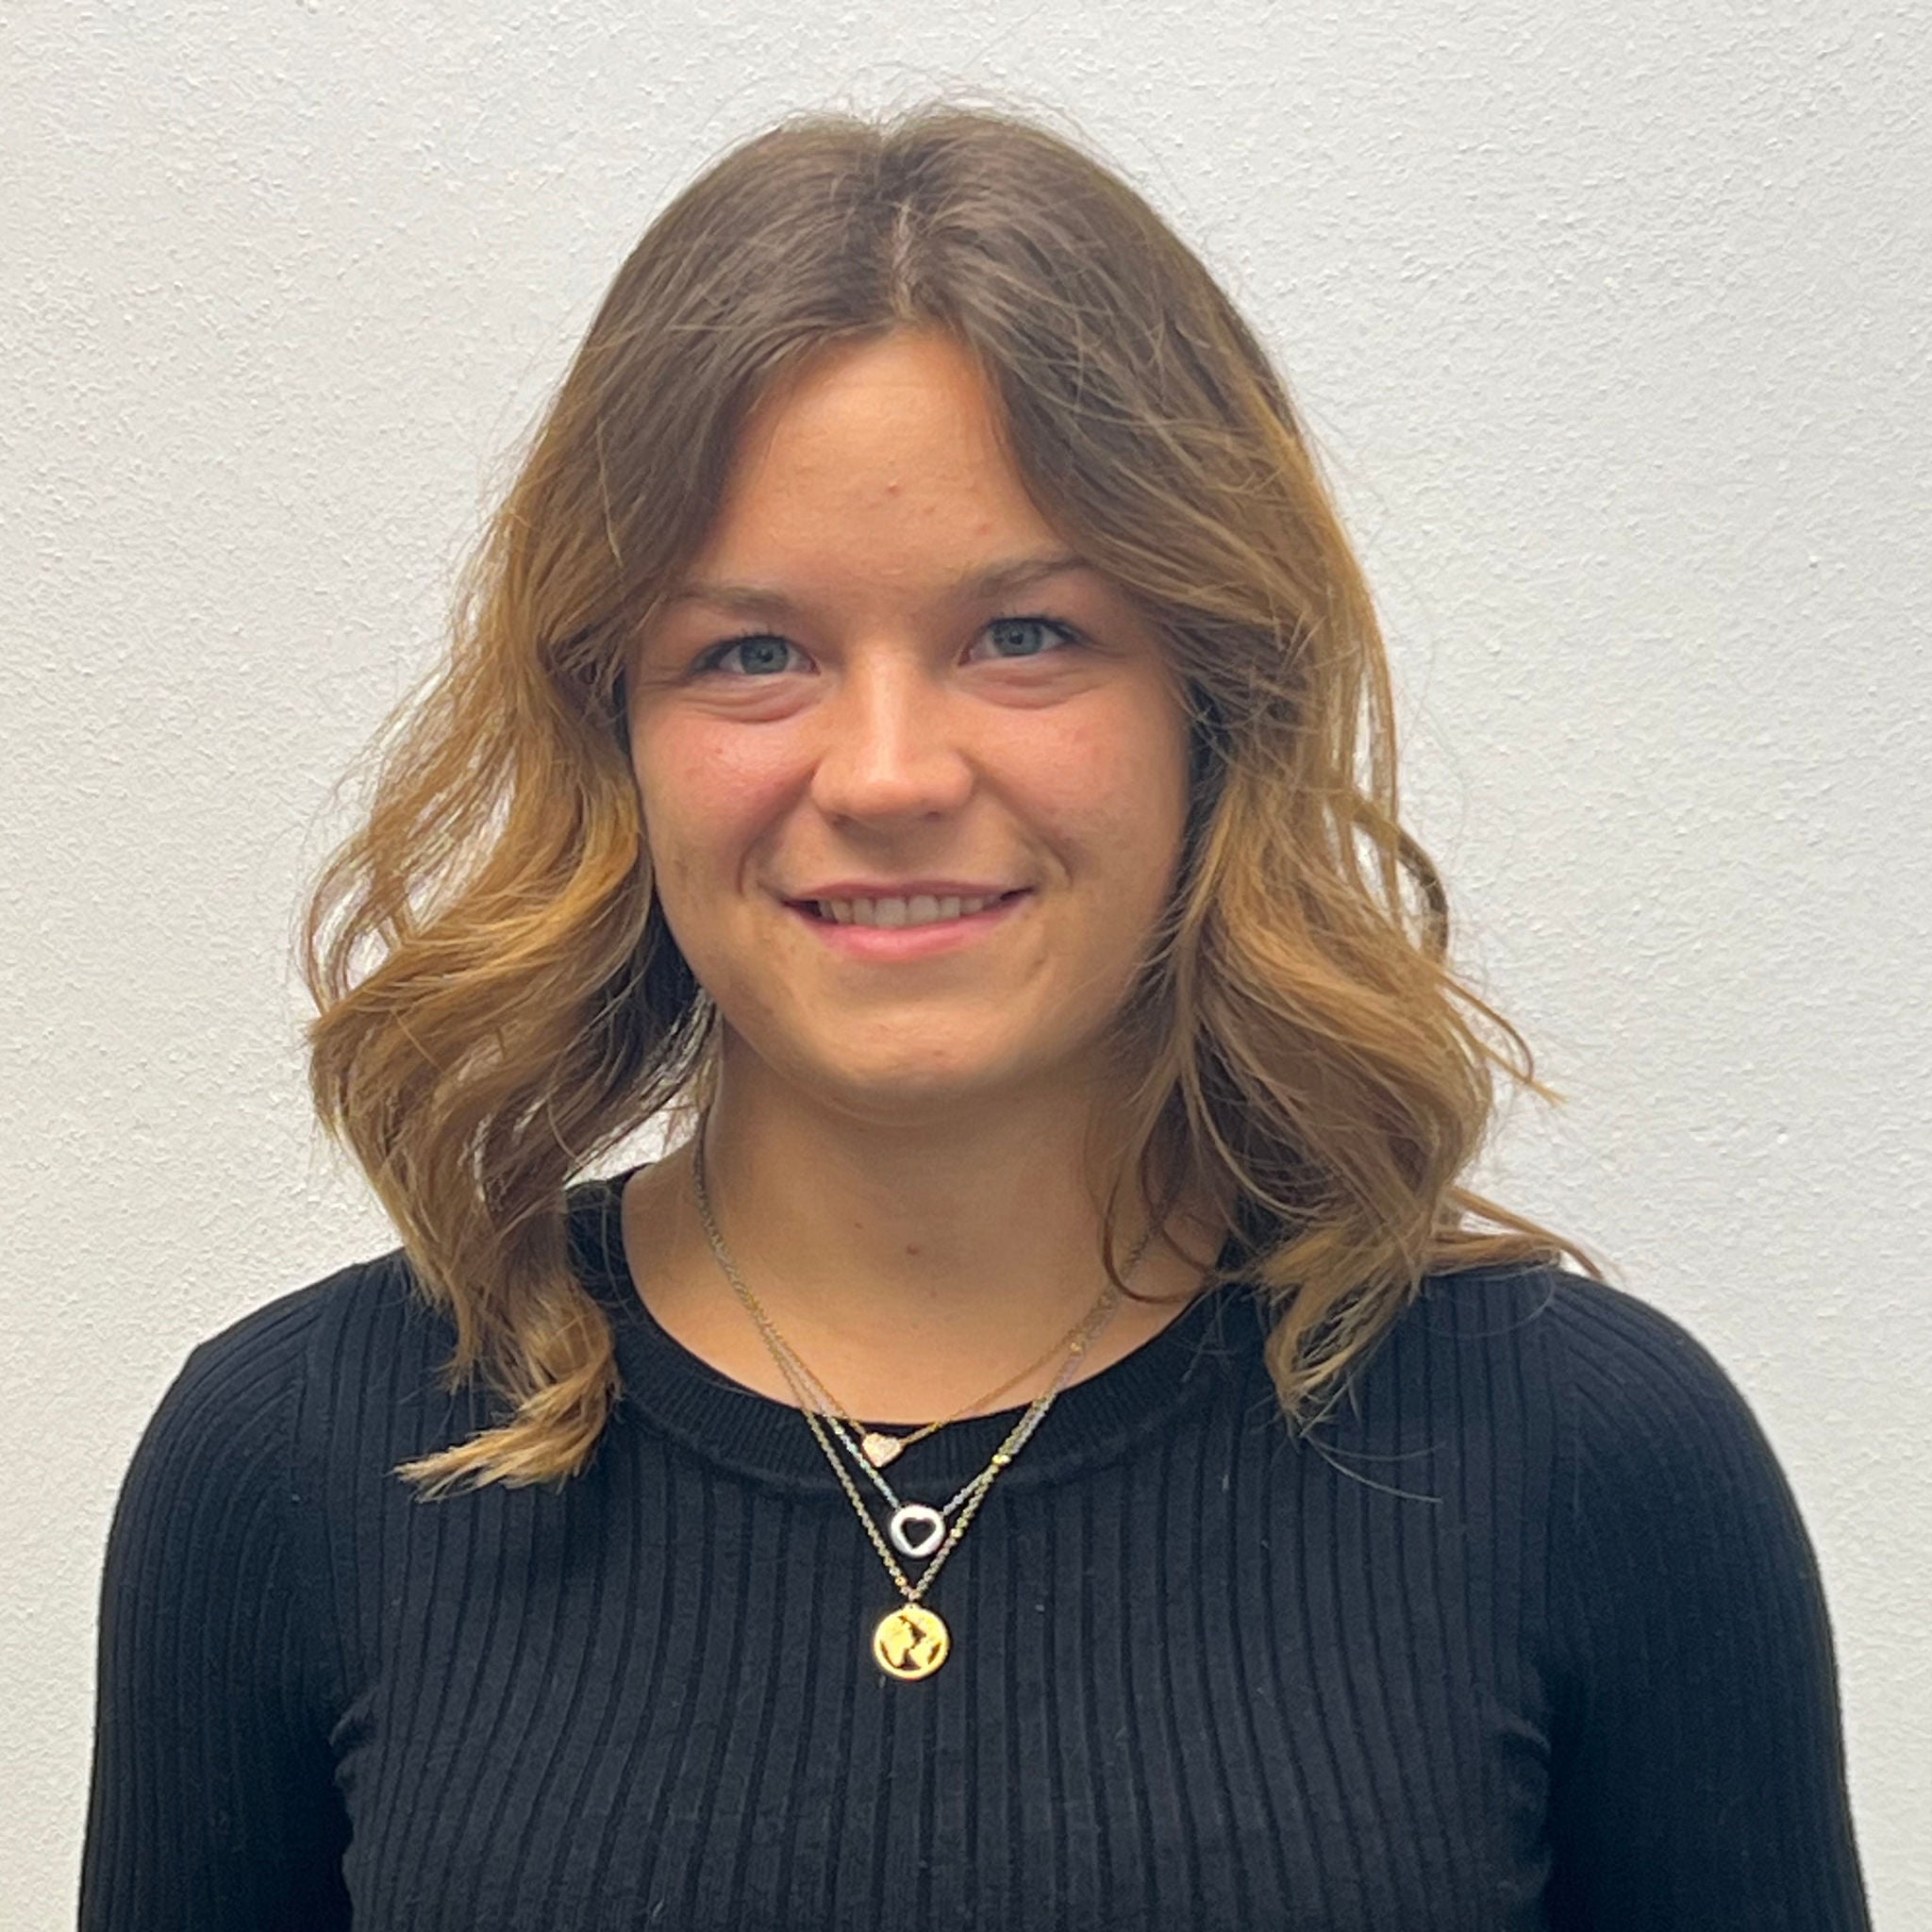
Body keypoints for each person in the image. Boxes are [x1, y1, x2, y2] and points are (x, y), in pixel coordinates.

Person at [79, 100, 1871, 1931]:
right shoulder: (295, 1467)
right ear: (615, 733)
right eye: (752, 652)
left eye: (1024, 636)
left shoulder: (1591, 1462)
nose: (887, 772)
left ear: (1212, 701)